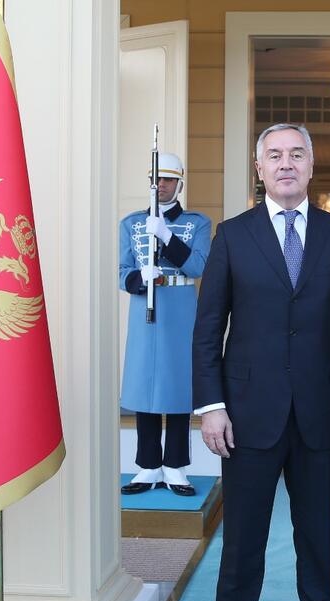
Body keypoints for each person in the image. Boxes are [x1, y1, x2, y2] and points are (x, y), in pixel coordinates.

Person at [192, 123, 330, 601]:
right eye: (275, 155)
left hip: (322, 415)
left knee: (317, 544)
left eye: (297, 154)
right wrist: (212, 407)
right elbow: (208, 330)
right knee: (241, 545)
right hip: (246, 418)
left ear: (312, 166)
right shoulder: (232, 236)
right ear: (260, 168)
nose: (286, 164)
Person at [119, 153, 211, 496]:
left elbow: (198, 266)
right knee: (144, 387)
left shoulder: (197, 223)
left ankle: (175, 466)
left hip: (180, 305)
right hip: (145, 305)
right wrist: (139, 277)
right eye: (156, 180)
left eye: (168, 180)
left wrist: (167, 237)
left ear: (179, 183)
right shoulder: (131, 223)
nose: (161, 186)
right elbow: (121, 270)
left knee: (177, 387)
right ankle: (148, 466)